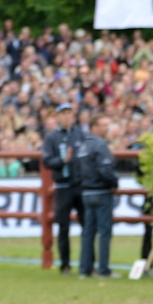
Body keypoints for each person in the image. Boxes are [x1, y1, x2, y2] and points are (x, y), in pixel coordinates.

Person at [41, 103, 87, 273]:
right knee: (63, 226)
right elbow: (47, 161)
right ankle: (65, 264)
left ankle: (87, 263)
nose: (67, 117)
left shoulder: (80, 135)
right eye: (64, 114)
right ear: (58, 117)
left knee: (87, 225)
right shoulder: (52, 138)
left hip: (79, 185)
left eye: (69, 113)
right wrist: (63, 161)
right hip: (63, 186)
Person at [76, 115, 118, 278]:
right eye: (103, 125)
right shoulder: (100, 145)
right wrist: (114, 184)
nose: (106, 128)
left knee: (88, 233)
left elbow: (77, 170)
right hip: (101, 192)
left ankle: (84, 269)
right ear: (94, 127)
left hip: (87, 192)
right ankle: (103, 269)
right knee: (104, 232)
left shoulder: (83, 146)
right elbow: (105, 170)